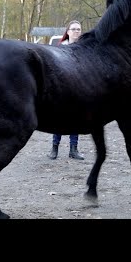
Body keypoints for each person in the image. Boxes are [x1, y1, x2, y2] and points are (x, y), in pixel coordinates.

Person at [48, 20, 84, 160]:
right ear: (68, 32)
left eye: (78, 29)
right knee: (59, 120)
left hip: (79, 89)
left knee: (76, 120)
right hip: (62, 90)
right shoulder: (60, 49)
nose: (76, 31)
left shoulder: (83, 48)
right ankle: (54, 149)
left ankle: (73, 150)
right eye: (74, 29)